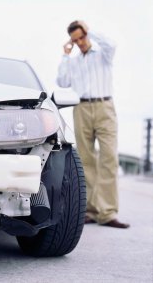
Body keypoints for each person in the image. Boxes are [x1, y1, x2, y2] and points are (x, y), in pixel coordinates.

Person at [56, 20, 130, 229]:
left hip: (104, 107)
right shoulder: (73, 60)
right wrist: (65, 55)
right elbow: (62, 82)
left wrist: (90, 31)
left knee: (109, 157)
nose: (80, 42)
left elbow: (111, 44)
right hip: (81, 109)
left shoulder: (103, 55)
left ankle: (107, 213)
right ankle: (90, 210)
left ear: (86, 34)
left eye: (82, 37)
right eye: (75, 39)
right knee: (86, 159)